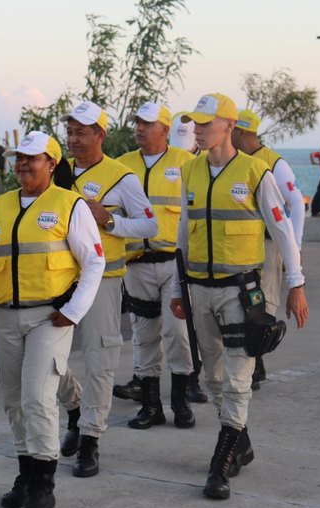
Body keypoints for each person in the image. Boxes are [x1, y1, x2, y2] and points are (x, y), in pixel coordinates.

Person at [170, 93, 308, 500]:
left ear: (229, 125)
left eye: (206, 122)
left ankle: (220, 465)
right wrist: (180, 290)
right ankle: (240, 442)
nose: (198, 128)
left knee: (237, 377)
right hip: (199, 290)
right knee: (212, 376)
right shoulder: (191, 171)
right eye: (195, 122)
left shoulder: (254, 172)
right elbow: (183, 232)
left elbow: (282, 230)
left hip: (240, 292)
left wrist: (295, 284)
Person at [0, 131, 105, 508]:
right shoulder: (3, 204)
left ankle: (44, 484)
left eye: (33, 157)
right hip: (6, 317)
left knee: (38, 398)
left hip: (50, 318)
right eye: (19, 158)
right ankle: (26, 472)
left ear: (52, 163)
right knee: (13, 400)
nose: (23, 163)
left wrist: (73, 311)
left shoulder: (69, 205)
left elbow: (94, 262)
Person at [55, 100, 158, 478]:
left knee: (100, 361)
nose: (74, 138)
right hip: (57, 282)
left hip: (103, 282)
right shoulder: (56, 172)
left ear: (101, 134)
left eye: (82, 132)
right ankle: (74, 408)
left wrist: (110, 220)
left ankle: (90, 440)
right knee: (50, 359)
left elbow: (150, 226)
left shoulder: (122, 176)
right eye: (70, 131)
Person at [111, 101, 204, 432]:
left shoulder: (187, 162)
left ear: (165, 129)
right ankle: (151, 405)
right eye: (137, 122)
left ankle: (180, 400)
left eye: (147, 124)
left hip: (174, 265)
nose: (139, 128)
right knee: (143, 334)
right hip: (136, 263)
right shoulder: (121, 166)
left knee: (177, 332)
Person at [231, 109, 305, 390]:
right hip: (241, 243)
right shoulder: (236, 160)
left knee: (264, 301)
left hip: (268, 243)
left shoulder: (273, 162)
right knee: (242, 300)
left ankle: (256, 361)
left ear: (242, 132)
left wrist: (295, 248)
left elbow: (296, 203)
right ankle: (249, 360)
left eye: (232, 131)